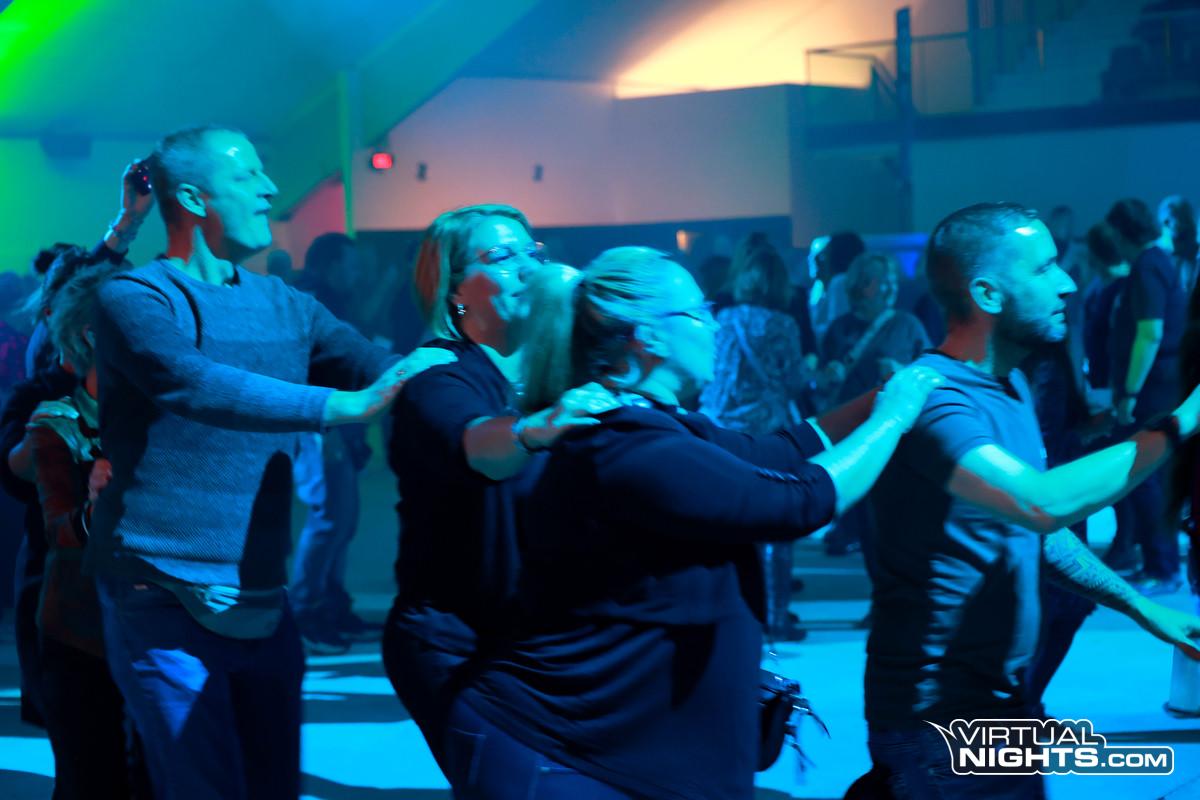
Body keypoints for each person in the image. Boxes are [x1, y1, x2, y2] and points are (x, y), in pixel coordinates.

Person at [447, 246, 942, 800]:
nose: (715, 324)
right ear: (649, 337)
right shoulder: (626, 446)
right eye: (699, 312)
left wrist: (880, 398)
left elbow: (783, 450)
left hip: (616, 752)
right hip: (568, 762)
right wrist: (895, 417)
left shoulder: (663, 425)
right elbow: (800, 502)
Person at [86, 125, 451, 800]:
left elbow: (385, 370)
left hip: (260, 591)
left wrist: (490, 380)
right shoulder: (137, 297)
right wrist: (342, 406)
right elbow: (192, 384)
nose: (270, 189)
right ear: (193, 198)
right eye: (248, 175)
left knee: (271, 784)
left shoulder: (288, 305)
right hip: (162, 591)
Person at [862, 202, 1200, 800]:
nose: (1067, 282)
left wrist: (1142, 608)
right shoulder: (937, 400)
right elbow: (1042, 504)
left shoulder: (1010, 385)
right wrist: (1185, 418)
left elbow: (1034, 531)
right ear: (987, 293)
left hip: (1001, 708)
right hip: (937, 722)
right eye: (1043, 268)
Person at [383, 205, 611, 769]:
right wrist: (534, 430)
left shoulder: (559, 374)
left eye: (534, 253)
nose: (529, 268)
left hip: (541, 640)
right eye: (503, 257)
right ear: (454, 289)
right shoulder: (437, 378)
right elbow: (483, 448)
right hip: (457, 644)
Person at [25, 259, 151, 798]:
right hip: (81, 632)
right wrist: (94, 509)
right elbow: (59, 528)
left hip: (161, 630)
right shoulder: (57, 420)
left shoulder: (165, 412)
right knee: (91, 781)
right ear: (91, 335)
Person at [699, 238, 814, 640]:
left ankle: (735, 612)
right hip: (770, 434)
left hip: (724, 432)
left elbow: (713, 379)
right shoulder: (783, 325)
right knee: (777, 527)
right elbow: (794, 381)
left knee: (732, 526)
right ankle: (776, 616)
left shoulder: (722, 319)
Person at [290, 232, 375, 652]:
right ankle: (307, 610)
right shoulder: (311, 302)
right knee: (329, 519)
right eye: (351, 265)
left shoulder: (333, 301)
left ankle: (332, 603)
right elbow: (309, 369)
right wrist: (328, 430)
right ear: (330, 266)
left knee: (342, 520)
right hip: (322, 425)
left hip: (337, 423)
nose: (357, 273)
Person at [819, 252, 929, 558]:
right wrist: (827, 375)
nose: (890, 287)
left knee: (890, 504)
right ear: (861, 284)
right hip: (849, 428)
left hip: (892, 430)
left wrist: (901, 370)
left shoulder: (907, 325)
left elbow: (930, 374)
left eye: (893, 281)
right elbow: (821, 381)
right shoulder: (840, 328)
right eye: (882, 281)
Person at [1108, 198, 1188, 595]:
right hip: (1162, 384)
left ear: (1124, 233)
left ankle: (1163, 566)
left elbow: (1150, 332)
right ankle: (1158, 563)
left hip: (1153, 389)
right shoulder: (1157, 262)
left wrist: (1130, 392)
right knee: (1150, 478)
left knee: (1147, 477)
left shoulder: (1148, 265)